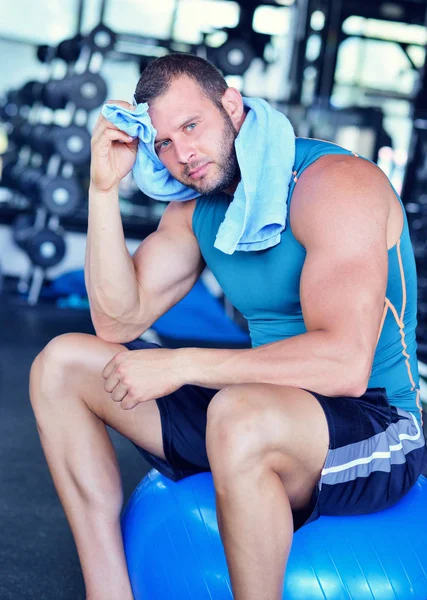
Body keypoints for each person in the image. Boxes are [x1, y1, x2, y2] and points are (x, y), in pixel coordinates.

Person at [29, 53, 427, 600]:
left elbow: (344, 365)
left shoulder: (335, 185)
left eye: (191, 126)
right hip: (260, 408)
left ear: (232, 105)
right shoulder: (199, 209)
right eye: (164, 143)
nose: (182, 154)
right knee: (62, 366)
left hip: (375, 422)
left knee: (238, 413)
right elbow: (116, 319)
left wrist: (183, 363)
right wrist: (102, 192)